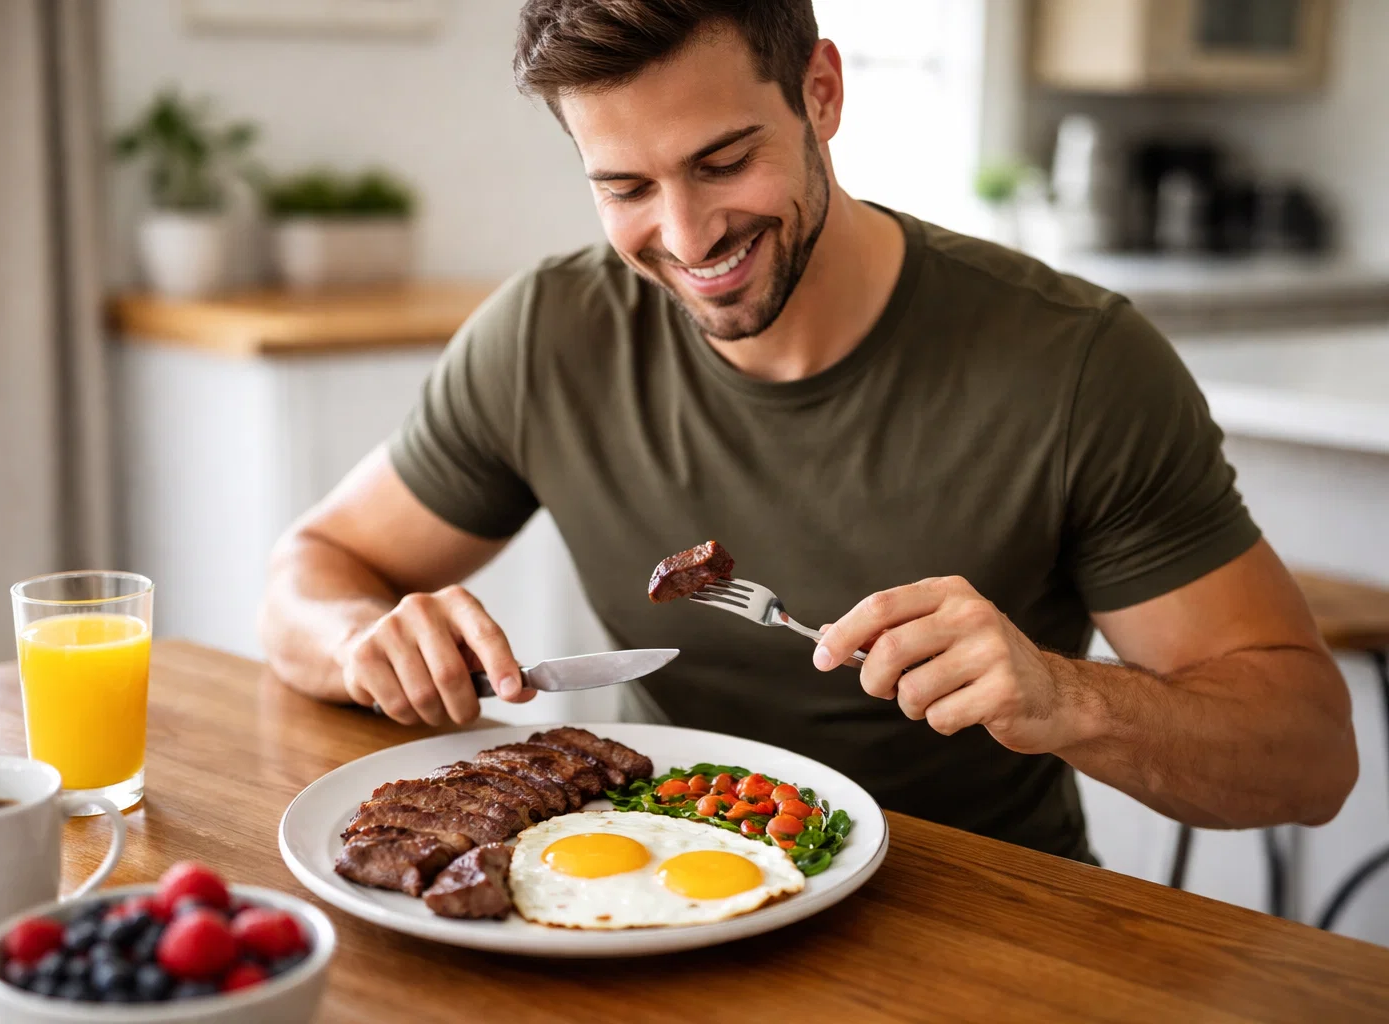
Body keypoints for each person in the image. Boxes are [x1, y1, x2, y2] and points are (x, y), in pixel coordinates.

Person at [260, 0, 1356, 861]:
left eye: (725, 161)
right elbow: (309, 572)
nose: (687, 237)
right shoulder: (549, 334)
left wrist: (1067, 698)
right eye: (627, 186)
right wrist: (367, 640)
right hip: (651, 885)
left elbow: (1310, 755)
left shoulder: (1075, 364)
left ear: (820, 93)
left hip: (984, 928)